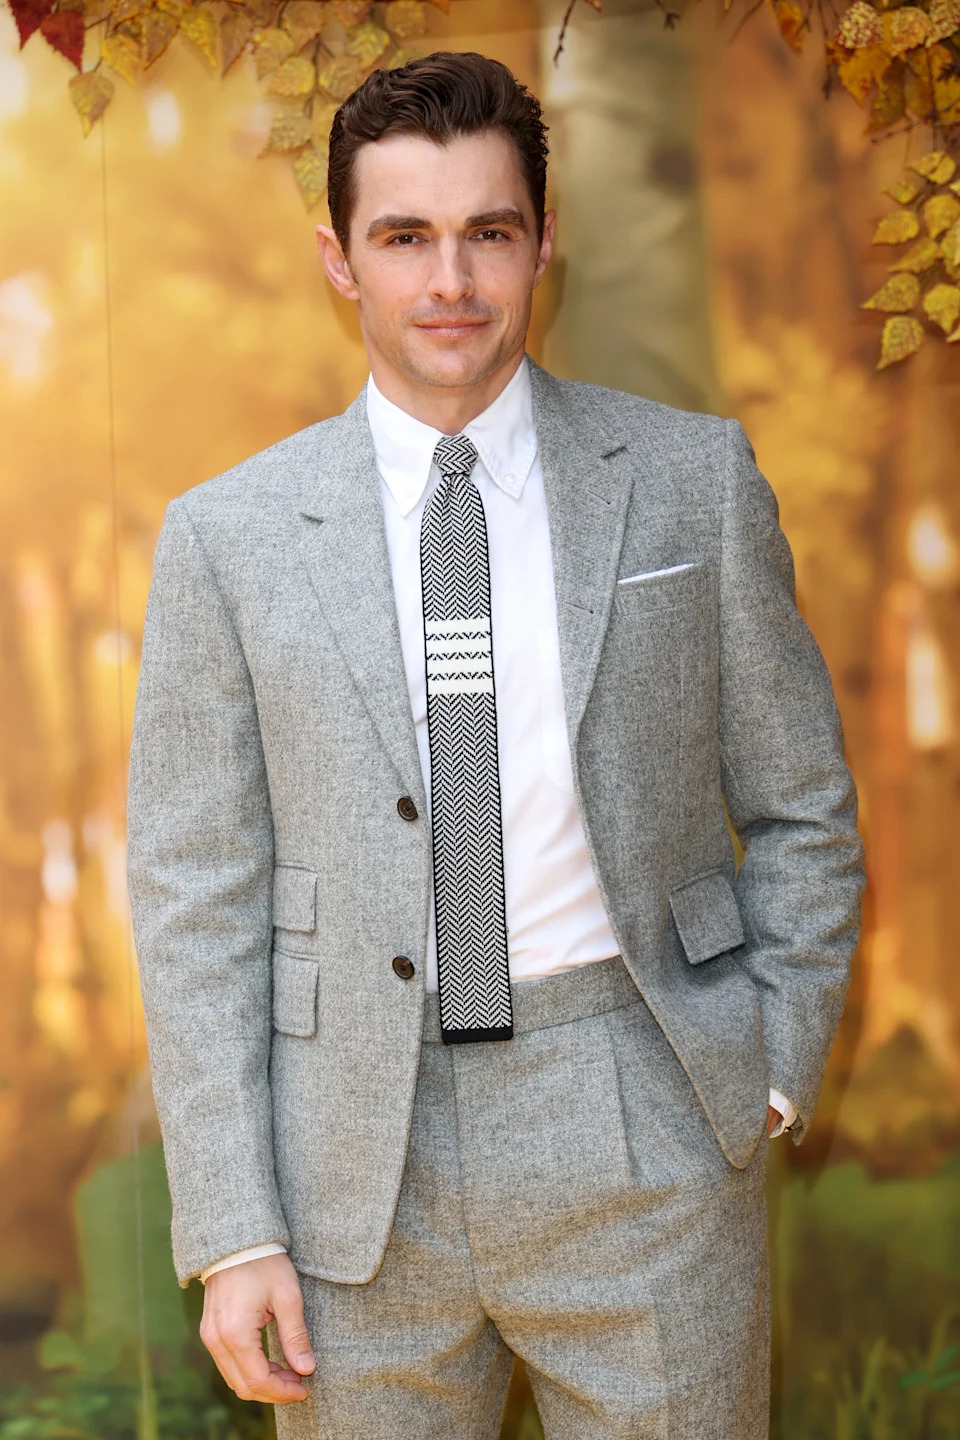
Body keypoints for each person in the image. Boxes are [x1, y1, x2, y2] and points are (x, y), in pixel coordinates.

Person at [126, 49, 866, 1440]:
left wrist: (763, 1066)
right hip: (353, 1166)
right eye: (404, 237)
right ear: (340, 261)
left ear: (542, 247)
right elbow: (194, 895)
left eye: (489, 233)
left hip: (637, 1115)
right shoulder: (224, 541)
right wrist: (232, 1226)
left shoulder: (690, 484)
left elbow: (803, 807)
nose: (449, 280)